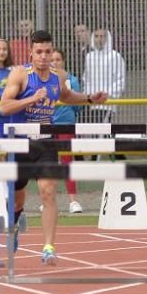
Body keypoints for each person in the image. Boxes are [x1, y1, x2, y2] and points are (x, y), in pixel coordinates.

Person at [0, 30, 106, 265]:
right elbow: (5, 107)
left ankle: (48, 247)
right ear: (31, 53)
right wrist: (30, 99)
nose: (44, 56)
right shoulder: (20, 75)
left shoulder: (59, 76)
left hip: (46, 140)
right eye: (39, 52)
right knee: (16, 200)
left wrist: (89, 98)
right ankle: (16, 220)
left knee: (48, 192)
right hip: (20, 141)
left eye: (48, 52)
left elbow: (66, 96)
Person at [50, 49, 83, 213]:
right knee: (48, 162)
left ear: (63, 62)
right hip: (46, 125)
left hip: (65, 124)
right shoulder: (42, 80)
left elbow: (77, 104)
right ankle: (48, 200)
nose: (54, 62)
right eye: (52, 59)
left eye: (58, 59)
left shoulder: (72, 80)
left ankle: (73, 201)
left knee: (67, 161)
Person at [81, 28, 125, 125]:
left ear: (107, 38)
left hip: (107, 103)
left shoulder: (115, 56)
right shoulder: (89, 57)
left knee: (104, 132)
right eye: (96, 36)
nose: (99, 39)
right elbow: (86, 79)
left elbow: (120, 80)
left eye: (102, 36)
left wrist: (107, 94)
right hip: (91, 104)